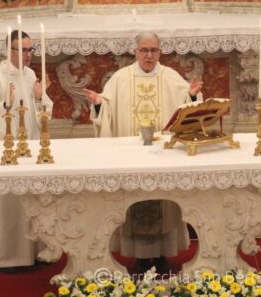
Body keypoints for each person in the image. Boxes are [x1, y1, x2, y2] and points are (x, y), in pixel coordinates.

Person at [82, 31, 203, 272]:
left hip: (163, 156)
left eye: (154, 50)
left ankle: (162, 255)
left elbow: (189, 107)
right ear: (135, 52)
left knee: (163, 201)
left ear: (160, 52)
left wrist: (191, 94)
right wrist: (98, 104)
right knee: (135, 201)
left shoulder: (171, 77)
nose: (149, 55)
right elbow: (106, 107)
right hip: (131, 158)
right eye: (144, 50)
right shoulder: (120, 78)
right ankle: (138, 256)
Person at [0, 30, 52, 271]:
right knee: (8, 204)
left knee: (28, 201)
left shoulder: (30, 75)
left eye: (30, 50)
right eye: (23, 50)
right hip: (5, 152)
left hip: (29, 148)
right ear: (10, 51)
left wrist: (39, 99)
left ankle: (32, 252)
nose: (28, 55)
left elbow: (42, 115)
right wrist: (4, 105)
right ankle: (6, 257)